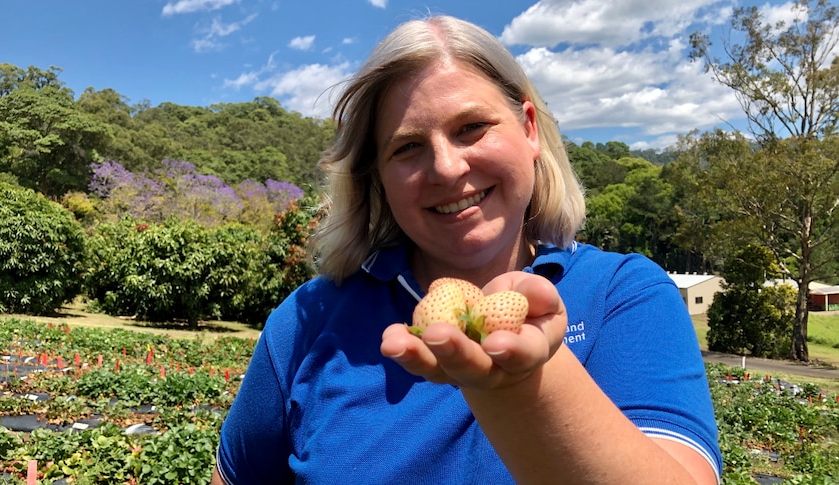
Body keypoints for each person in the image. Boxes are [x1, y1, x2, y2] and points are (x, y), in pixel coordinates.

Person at [212, 14, 722, 485]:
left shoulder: (624, 296)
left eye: (471, 128)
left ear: (528, 128)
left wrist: (522, 387)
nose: (448, 168)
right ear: (377, 176)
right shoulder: (308, 319)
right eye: (407, 147)